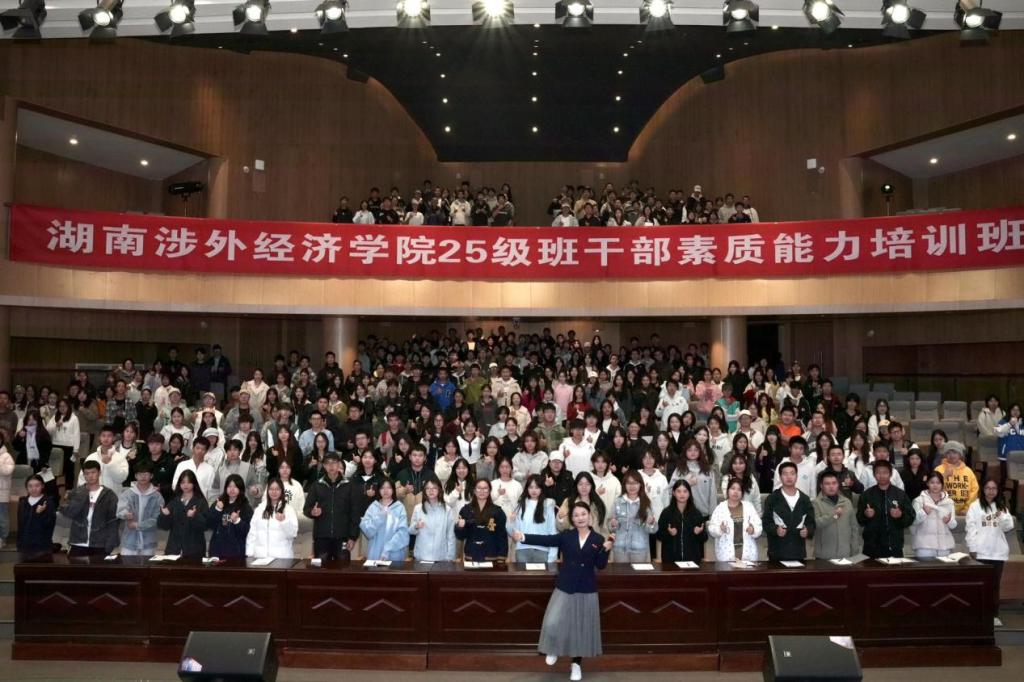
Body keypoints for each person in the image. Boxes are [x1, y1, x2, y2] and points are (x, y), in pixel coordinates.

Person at [513, 501, 615, 682]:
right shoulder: (567, 536)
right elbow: (547, 540)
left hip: (586, 588)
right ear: (572, 519)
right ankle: (553, 649)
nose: (580, 518)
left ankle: (576, 664)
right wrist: (523, 537)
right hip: (565, 586)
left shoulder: (598, 539)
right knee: (552, 622)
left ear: (589, 516)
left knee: (580, 629)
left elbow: (600, 565)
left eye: (583, 514)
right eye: (576, 515)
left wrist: (606, 550)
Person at [966, 479, 1015, 627]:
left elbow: (1008, 527)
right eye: (988, 488)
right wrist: (972, 548)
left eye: (994, 488)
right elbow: (970, 528)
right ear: (983, 489)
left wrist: (1003, 516)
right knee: (979, 586)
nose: (991, 491)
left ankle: (994, 615)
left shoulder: (1001, 507)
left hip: (997, 553)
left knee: (994, 586)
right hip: (980, 553)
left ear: (997, 491)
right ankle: (978, 614)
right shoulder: (975, 506)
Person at [303, 452, 362, 561]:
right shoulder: (317, 485)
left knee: (343, 570)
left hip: (342, 537)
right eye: (327, 463)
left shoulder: (349, 486)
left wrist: (353, 537)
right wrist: (312, 512)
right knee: (321, 570)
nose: (331, 466)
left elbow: (355, 513)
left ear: (339, 464)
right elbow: (306, 509)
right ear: (324, 466)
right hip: (321, 537)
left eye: (334, 462)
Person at [856, 460, 915, 559]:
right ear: (874, 475)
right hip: (871, 546)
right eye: (878, 473)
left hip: (894, 545)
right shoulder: (867, 495)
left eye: (885, 472)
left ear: (890, 474)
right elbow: (859, 519)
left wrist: (900, 515)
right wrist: (866, 515)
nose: (882, 476)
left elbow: (910, 517)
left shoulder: (900, 494)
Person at [61, 459, 119, 557]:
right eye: (87, 473)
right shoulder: (76, 492)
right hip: (78, 542)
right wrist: (82, 495)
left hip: (100, 543)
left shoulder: (109, 495)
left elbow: (113, 521)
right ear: (83, 475)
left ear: (99, 473)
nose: (90, 476)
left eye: (93, 472)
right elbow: (69, 513)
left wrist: (110, 544)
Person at [763, 461, 816, 562]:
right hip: (777, 552)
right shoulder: (772, 498)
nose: (789, 477)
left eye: (792, 473)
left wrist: (807, 531)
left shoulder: (804, 499)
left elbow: (811, 523)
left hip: (798, 552)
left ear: (797, 476)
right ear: (780, 477)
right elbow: (766, 522)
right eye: (785, 474)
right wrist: (776, 530)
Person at [116, 459, 163, 556]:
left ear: (151, 476)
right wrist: (125, 514)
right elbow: (120, 510)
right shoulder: (127, 493)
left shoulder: (157, 496)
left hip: (149, 540)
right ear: (135, 476)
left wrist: (138, 525)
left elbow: (157, 518)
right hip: (129, 540)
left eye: (146, 474)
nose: (143, 476)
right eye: (140, 474)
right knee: (127, 564)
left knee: (147, 565)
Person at [158, 469, 209, 558]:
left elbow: (206, 526)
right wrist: (164, 515)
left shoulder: (201, 501)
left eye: (189, 482)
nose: (185, 485)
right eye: (183, 482)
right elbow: (164, 526)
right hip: (174, 548)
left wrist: (195, 516)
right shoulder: (174, 500)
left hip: (195, 549)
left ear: (194, 483)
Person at [608, 470, 657, 563]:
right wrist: (612, 524)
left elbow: (653, 530)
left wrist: (651, 523)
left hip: (640, 549)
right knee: (621, 572)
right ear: (624, 485)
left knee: (639, 573)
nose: (632, 486)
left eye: (635, 483)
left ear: (640, 484)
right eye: (629, 483)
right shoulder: (618, 502)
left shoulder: (646, 503)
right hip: (620, 549)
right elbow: (610, 527)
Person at [709, 478, 762, 562]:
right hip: (726, 556)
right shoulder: (720, 508)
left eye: (739, 489)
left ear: (742, 493)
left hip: (748, 555)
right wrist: (720, 529)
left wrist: (753, 530)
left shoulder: (749, 507)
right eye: (733, 488)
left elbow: (758, 526)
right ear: (727, 491)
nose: (736, 492)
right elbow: (711, 528)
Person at [455, 478, 508, 562]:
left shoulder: (498, 511)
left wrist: (502, 557)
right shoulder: (465, 510)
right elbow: (460, 536)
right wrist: (459, 527)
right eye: (479, 488)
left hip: (491, 555)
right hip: (471, 554)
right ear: (474, 491)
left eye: (485, 488)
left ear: (489, 491)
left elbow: (502, 536)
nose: (482, 491)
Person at [509, 474, 559, 563]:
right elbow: (513, 532)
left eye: (537, 487)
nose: (534, 490)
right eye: (531, 487)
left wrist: (552, 557)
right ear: (527, 489)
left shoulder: (548, 504)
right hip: (522, 550)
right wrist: (511, 522)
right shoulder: (521, 505)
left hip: (542, 550)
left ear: (542, 488)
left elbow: (552, 531)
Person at [812, 471, 860, 560]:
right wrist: (833, 515)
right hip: (823, 556)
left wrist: (855, 551)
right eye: (827, 484)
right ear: (821, 486)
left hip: (845, 555)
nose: (831, 486)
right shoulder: (815, 503)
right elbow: (815, 524)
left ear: (838, 485)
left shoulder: (847, 502)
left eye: (834, 483)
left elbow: (854, 528)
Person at [247, 478, 299, 560]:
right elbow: (252, 533)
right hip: (260, 557)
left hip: (282, 558)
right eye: (271, 489)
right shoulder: (260, 509)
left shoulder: (288, 509)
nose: (274, 492)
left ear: (282, 491)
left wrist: (284, 521)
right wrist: (249, 554)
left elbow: (293, 534)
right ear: (267, 491)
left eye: (277, 489)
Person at [657, 479, 707, 563]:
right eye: (678, 491)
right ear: (673, 493)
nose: (682, 494)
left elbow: (704, 538)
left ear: (689, 493)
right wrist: (669, 533)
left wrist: (699, 533)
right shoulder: (666, 513)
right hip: (670, 560)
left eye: (685, 491)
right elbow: (659, 535)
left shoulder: (696, 514)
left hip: (692, 561)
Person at [360, 478, 410, 562]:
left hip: (394, 555)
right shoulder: (373, 507)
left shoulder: (399, 507)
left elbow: (403, 533)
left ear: (393, 490)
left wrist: (388, 548)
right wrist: (379, 517)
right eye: (382, 488)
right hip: (375, 555)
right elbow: (367, 531)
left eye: (389, 487)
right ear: (378, 490)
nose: (385, 491)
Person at [409, 475, 456, 562]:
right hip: (421, 555)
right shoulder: (418, 508)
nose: (431, 491)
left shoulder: (447, 510)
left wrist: (450, 557)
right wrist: (416, 526)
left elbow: (451, 535)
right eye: (428, 488)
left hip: (441, 556)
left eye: (434, 488)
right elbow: (411, 531)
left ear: (439, 490)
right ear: (424, 491)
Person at [911, 471, 957, 559]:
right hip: (924, 547)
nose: (935, 485)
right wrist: (924, 512)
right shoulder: (919, 500)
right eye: (932, 482)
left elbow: (953, 525)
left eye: (938, 483)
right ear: (927, 483)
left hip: (944, 547)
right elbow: (913, 521)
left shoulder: (949, 502)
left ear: (942, 485)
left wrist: (948, 521)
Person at [207, 473, 253, 558]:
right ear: (225, 488)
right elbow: (209, 524)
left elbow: (249, 530)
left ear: (240, 488)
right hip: (217, 550)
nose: (232, 489)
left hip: (237, 552)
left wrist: (238, 521)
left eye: (235, 486)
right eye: (229, 486)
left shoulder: (246, 507)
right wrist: (217, 510)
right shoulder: (219, 503)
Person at [932, 441, 978, 514]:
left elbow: (974, 490)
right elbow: (933, 489)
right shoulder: (939, 469)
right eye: (948, 453)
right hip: (943, 511)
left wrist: (967, 508)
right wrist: (944, 476)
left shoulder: (968, 471)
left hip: (964, 512)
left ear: (960, 454)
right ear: (945, 455)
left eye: (954, 452)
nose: (951, 455)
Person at [17, 474, 57, 553]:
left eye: (37, 485)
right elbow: (20, 525)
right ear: (26, 487)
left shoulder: (48, 502)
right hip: (24, 546)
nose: (34, 489)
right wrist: (19, 544)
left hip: (42, 546)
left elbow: (49, 525)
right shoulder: (23, 502)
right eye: (30, 486)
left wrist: (39, 514)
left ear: (42, 486)